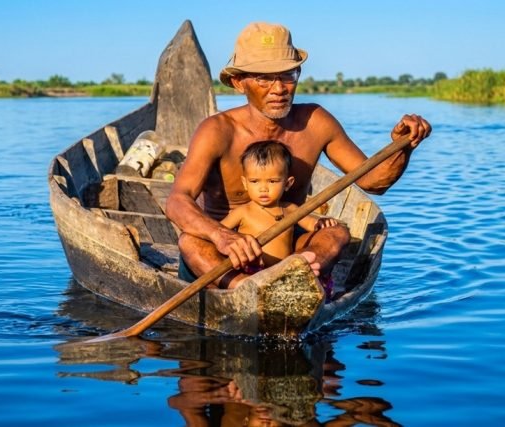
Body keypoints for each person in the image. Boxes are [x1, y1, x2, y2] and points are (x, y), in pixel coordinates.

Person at [166, 22, 432, 289]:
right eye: (264, 78)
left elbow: (375, 182)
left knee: (336, 232)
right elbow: (177, 201)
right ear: (239, 83)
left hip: (287, 249)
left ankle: (295, 280)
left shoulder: (316, 122)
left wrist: (403, 147)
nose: (279, 88)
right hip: (225, 257)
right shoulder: (217, 130)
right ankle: (246, 290)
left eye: (287, 75)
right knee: (189, 242)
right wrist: (221, 235)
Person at [220, 140, 338, 280]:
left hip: (282, 271)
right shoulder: (243, 211)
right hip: (252, 270)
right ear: (245, 183)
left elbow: (311, 224)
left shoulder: (290, 209)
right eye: (255, 181)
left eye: (272, 181)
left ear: (287, 183)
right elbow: (221, 233)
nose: (263, 188)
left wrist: (322, 223)